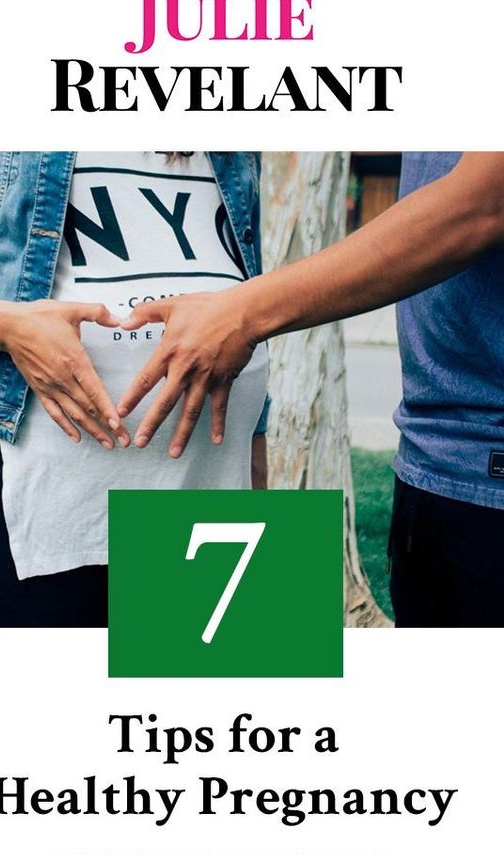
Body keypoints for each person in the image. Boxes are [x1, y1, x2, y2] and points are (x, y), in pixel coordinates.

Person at [117, 152, 504, 627]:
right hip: (431, 458)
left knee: (205, 660)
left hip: (486, 478)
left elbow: (486, 201)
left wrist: (241, 315)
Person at [0, 151, 269, 627]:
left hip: (219, 471)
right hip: (56, 495)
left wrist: (257, 437)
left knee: (228, 694)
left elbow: (243, 289)